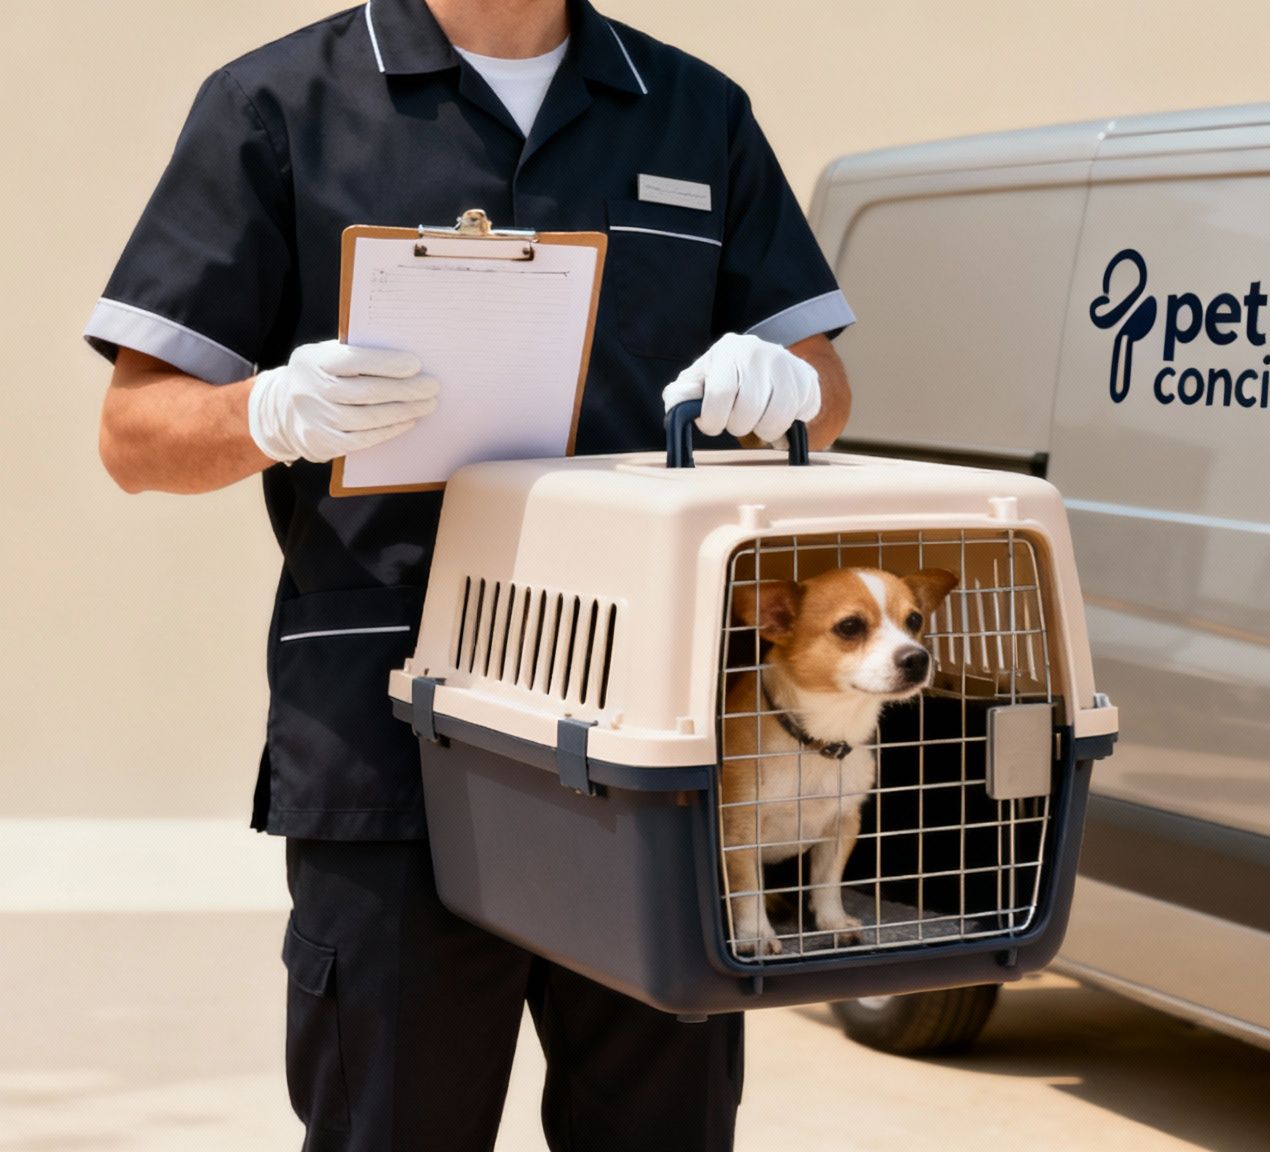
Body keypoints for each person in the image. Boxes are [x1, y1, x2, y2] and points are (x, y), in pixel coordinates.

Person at [86, 0, 854, 1147]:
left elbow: (823, 389)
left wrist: (789, 390)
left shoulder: (696, 112)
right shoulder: (276, 107)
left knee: (665, 1127)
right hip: (389, 728)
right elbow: (134, 436)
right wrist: (271, 410)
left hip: (650, 741)